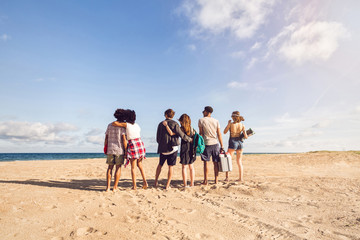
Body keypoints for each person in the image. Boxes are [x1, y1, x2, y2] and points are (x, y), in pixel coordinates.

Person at [155, 109, 192, 190]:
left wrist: (161, 144)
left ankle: (155, 182)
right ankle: (167, 185)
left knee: (160, 165)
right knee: (170, 167)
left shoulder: (160, 124)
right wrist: (189, 139)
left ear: (165, 115)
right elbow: (181, 135)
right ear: (173, 115)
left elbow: (157, 138)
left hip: (163, 148)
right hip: (172, 148)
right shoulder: (175, 124)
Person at [112, 109, 148, 190]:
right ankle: (145, 182)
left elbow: (114, 123)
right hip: (140, 143)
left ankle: (134, 186)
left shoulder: (126, 125)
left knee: (133, 167)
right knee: (140, 165)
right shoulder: (137, 125)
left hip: (133, 144)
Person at [163, 114, 196, 188]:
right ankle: (192, 183)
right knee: (191, 166)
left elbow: (171, 133)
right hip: (191, 148)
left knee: (184, 167)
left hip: (184, 148)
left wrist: (166, 126)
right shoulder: (192, 128)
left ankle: (185, 184)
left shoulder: (181, 129)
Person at [198, 106, 224, 185]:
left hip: (206, 144)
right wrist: (222, 145)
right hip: (215, 143)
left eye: (203, 111)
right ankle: (216, 180)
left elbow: (201, 133)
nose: (203, 113)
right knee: (215, 163)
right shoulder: (216, 121)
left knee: (206, 163)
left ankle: (205, 180)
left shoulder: (201, 120)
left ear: (206, 112)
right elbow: (219, 134)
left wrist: (199, 144)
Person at [104, 109, 127, 192]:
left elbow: (106, 137)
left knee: (109, 168)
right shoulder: (122, 126)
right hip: (119, 150)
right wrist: (126, 150)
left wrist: (105, 147)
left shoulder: (109, 125)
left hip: (110, 149)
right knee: (118, 168)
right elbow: (124, 139)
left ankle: (107, 187)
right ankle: (115, 187)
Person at [223, 111, 248, 182]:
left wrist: (228, 124)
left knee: (228, 160)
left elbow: (224, 132)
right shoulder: (242, 125)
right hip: (240, 142)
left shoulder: (231, 124)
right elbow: (246, 137)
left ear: (233, 117)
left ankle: (227, 177)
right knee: (239, 161)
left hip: (232, 141)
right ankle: (241, 178)